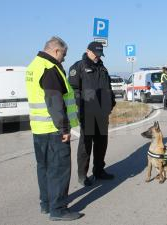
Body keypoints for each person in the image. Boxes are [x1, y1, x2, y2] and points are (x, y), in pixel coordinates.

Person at [25, 36, 83, 221]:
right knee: (59, 169)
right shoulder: (50, 68)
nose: (64, 59)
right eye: (63, 55)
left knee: (44, 167)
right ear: (56, 51)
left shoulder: (34, 65)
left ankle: (46, 203)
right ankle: (58, 209)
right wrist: (64, 129)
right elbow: (54, 102)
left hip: (39, 129)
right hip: (54, 129)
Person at [69, 41, 116, 187]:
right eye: (95, 54)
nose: (97, 57)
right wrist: (82, 104)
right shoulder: (78, 67)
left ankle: (99, 170)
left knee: (101, 144)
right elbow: (73, 89)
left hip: (102, 113)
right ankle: (83, 175)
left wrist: (111, 103)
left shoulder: (103, 68)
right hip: (87, 113)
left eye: (100, 54)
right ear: (87, 51)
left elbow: (108, 88)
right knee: (86, 146)